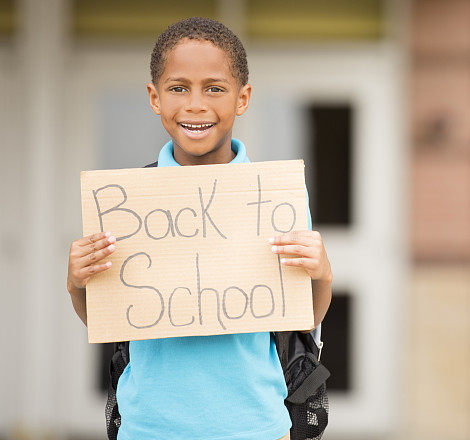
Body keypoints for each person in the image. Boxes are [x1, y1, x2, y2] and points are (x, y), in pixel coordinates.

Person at [65, 17, 333, 440]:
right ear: (154, 97)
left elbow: (307, 315)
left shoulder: (272, 199)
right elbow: (105, 318)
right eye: (177, 88)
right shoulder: (127, 203)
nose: (195, 104)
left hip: (257, 426)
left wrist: (322, 270)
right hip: (149, 428)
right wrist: (76, 281)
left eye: (214, 88)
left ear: (242, 98)